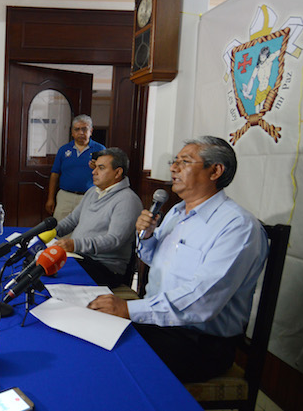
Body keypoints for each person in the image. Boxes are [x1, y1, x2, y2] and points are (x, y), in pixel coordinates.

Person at [87, 136, 268, 383]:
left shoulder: (237, 226)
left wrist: (128, 308)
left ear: (215, 171)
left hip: (199, 342)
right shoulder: (176, 211)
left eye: (184, 162)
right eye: (174, 161)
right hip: (159, 324)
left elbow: (202, 301)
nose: (173, 168)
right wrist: (147, 236)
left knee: (108, 363)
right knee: (90, 332)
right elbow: (153, 258)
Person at [55, 148, 142, 287]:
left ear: (117, 173)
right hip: (81, 257)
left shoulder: (127, 200)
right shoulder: (92, 192)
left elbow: (114, 240)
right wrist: (49, 231)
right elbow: (72, 220)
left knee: (56, 273)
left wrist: (75, 244)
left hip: (106, 267)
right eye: (95, 167)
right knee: (41, 264)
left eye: (101, 168)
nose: (94, 172)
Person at [46, 114, 105, 221]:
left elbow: (107, 175)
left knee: (87, 227)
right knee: (60, 227)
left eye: (84, 129)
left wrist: (98, 168)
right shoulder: (63, 150)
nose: (81, 132)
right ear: (72, 132)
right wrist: (50, 198)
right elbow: (55, 174)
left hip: (89, 196)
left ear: (91, 131)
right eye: (77, 129)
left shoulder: (100, 149)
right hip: (65, 197)